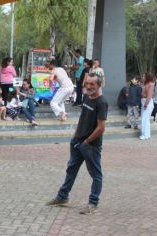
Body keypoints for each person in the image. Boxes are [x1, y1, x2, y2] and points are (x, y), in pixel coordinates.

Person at [46, 74, 108, 215]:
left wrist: (86, 141)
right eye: (87, 83)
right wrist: (75, 137)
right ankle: (62, 197)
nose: (88, 86)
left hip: (90, 145)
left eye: (92, 84)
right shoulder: (86, 97)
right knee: (71, 169)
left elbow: (101, 128)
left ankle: (93, 203)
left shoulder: (101, 102)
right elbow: (83, 119)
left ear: (99, 85)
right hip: (77, 142)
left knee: (96, 175)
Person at [140, 72, 155, 140]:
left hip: (147, 103)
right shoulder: (144, 84)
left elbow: (149, 96)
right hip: (143, 102)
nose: (142, 77)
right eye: (142, 76)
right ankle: (147, 134)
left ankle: (144, 134)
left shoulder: (151, 84)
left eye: (144, 76)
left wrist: (146, 104)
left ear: (147, 77)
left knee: (144, 119)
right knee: (146, 119)